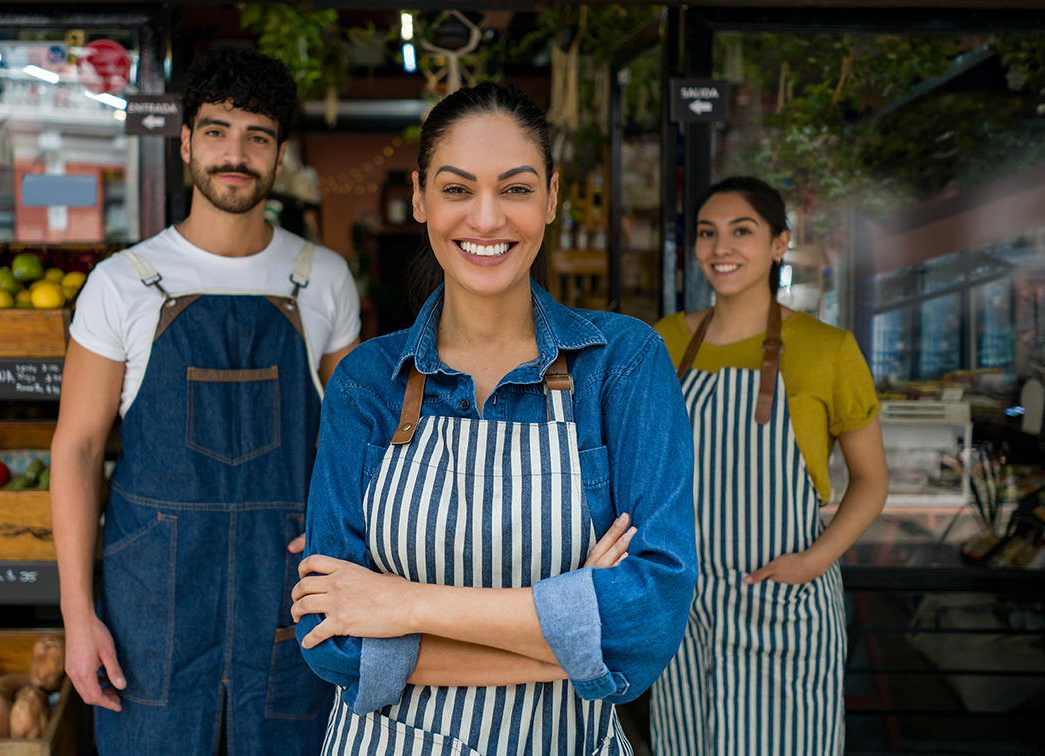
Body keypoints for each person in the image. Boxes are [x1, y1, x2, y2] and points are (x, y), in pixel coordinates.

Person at [289, 82, 698, 756]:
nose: (486, 219)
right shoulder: (366, 381)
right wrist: (572, 642)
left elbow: (649, 622)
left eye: (514, 188)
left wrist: (405, 605)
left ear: (552, 197)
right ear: (420, 196)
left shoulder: (621, 365)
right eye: (457, 189)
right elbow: (332, 645)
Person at [50, 46, 361, 755]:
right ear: (186, 142)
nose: (236, 154)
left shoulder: (325, 279)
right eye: (217, 131)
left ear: (279, 155)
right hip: (151, 606)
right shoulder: (122, 283)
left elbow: (354, 441)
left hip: (284, 597)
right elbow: (76, 451)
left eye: (257, 136)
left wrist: (345, 529)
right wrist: (76, 614)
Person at [648, 176, 888, 756]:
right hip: (688, 613)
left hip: (787, 608)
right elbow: (643, 476)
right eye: (708, 233)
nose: (720, 247)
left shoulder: (829, 349)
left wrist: (812, 562)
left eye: (742, 231)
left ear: (780, 243)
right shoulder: (661, 343)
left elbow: (872, 480)